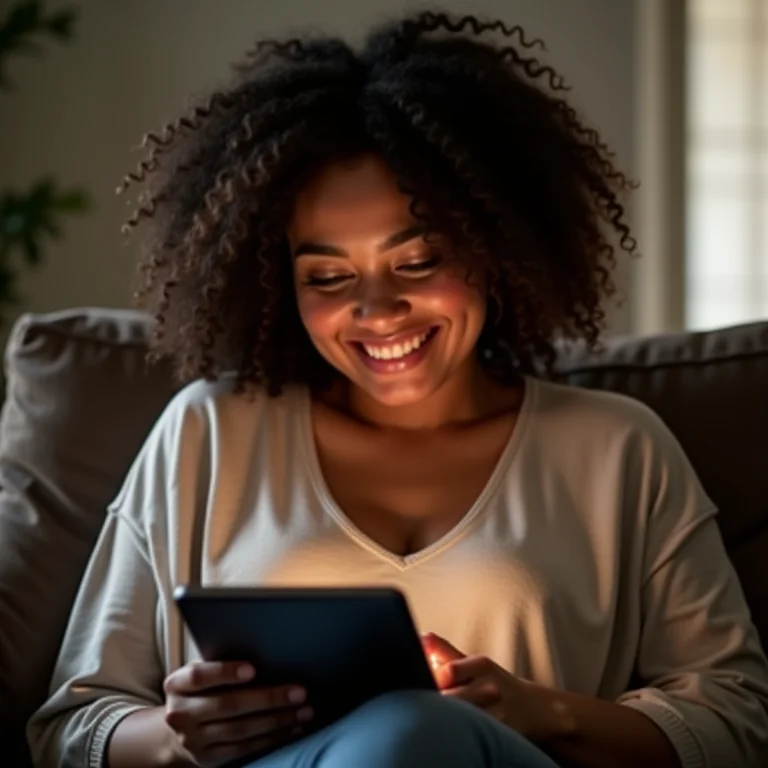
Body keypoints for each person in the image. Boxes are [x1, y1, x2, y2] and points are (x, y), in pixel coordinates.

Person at [27, 10, 768, 768]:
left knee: (416, 730)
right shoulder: (208, 434)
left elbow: (737, 720)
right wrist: (175, 738)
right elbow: (71, 727)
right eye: (328, 277)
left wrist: (542, 712)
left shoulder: (617, 448)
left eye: (417, 263)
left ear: (495, 250)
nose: (377, 311)